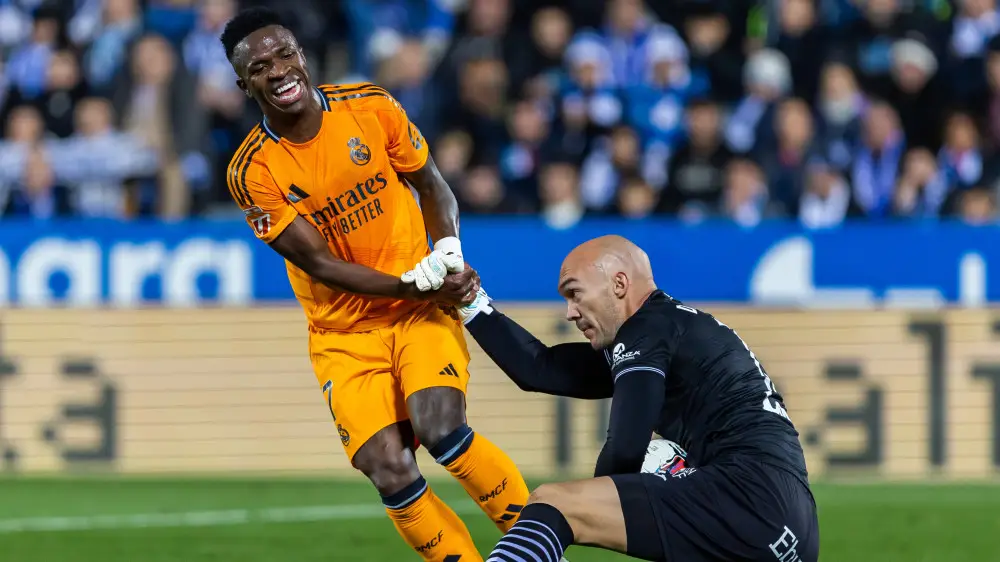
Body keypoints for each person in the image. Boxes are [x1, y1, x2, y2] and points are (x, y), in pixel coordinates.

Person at [219, 8, 531, 561]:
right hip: (345, 333)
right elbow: (320, 264)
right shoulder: (252, 171)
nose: (279, 70)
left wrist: (449, 256)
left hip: (418, 312)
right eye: (260, 67)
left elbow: (432, 186)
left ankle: (542, 548)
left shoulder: (370, 105)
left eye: (285, 54)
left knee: (441, 429)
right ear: (246, 86)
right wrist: (414, 286)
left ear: (303, 56)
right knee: (387, 467)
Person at [456, 235, 819, 562]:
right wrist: (470, 302)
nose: (570, 312)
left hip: (748, 500)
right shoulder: (672, 329)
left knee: (553, 503)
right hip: (791, 525)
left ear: (619, 284)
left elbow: (626, 446)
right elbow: (539, 368)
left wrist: (594, 506)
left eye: (574, 293)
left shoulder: (646, 329)